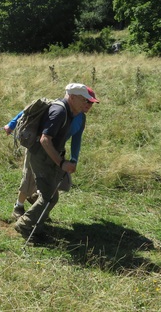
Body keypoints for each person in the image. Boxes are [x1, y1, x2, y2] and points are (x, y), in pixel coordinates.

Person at [13, 83, 99, 239]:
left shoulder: (73, 112)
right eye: (84, 100)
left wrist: (70, 159)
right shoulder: (59, 111)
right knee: (49, 196)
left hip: (49, 155)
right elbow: (45, 140)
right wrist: (61, 163)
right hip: (41, 155)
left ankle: (35, 226)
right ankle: (24, 224)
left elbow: (74, 138)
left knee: (50, 194)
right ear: (72, 97)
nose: (87, 104)